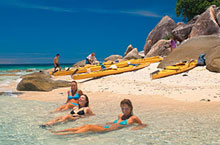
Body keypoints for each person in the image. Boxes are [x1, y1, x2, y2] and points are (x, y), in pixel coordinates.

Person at [50, 99, 146, 135]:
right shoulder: (120, 115)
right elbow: (116, 122)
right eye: (123, 108)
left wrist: (137, 127)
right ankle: (60, 131)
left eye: (126, 109)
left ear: (131, 108)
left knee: (88, 127)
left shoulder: (133, 118)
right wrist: (110, 123)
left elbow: (143, 125)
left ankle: (63, 135)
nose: (124, 111)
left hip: (109, 130)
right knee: (84, 126)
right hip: (107, 127)